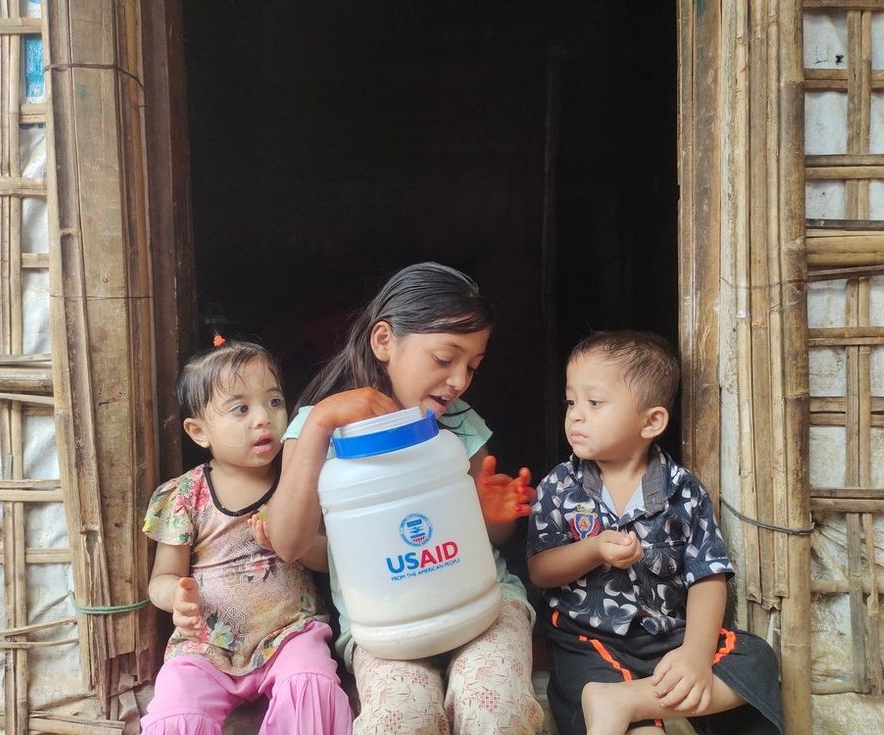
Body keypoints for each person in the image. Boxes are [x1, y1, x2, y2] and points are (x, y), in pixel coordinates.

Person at [266, 262, 544, 734]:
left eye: (472, 366)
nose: (459, 380)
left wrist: (493, 515)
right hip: (384, 628)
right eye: (444, 358)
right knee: (401, 719)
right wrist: (319, 426)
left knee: (493, 706)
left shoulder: (460, 425)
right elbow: (288, 544)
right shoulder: (320, 427)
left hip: (484, 607)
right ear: (383, 341)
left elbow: (493, 535)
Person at [527, 331, 784, 735]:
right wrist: (592, 549)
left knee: (756, 658)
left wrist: (695, 654)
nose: (575, 415)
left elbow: (707, 576)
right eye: (571, 401)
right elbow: (540, 571)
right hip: (589, 641)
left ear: (651, 422)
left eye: (594, 403)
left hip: (667, 636)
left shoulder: (683, 490)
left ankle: (631, 700)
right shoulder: (559, 487)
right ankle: (626, 705)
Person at [140, 338, 353, 735]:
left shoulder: (297, 483)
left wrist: (289, 543)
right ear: (198, 431)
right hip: (206, 645)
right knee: (175, 713)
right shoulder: (186, 495)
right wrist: (177, 597)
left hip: (290, 634)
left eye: (273, 402)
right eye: (241, 408)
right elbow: (161, 579)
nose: (263, 418)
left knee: (311, 684)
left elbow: (333, 562)